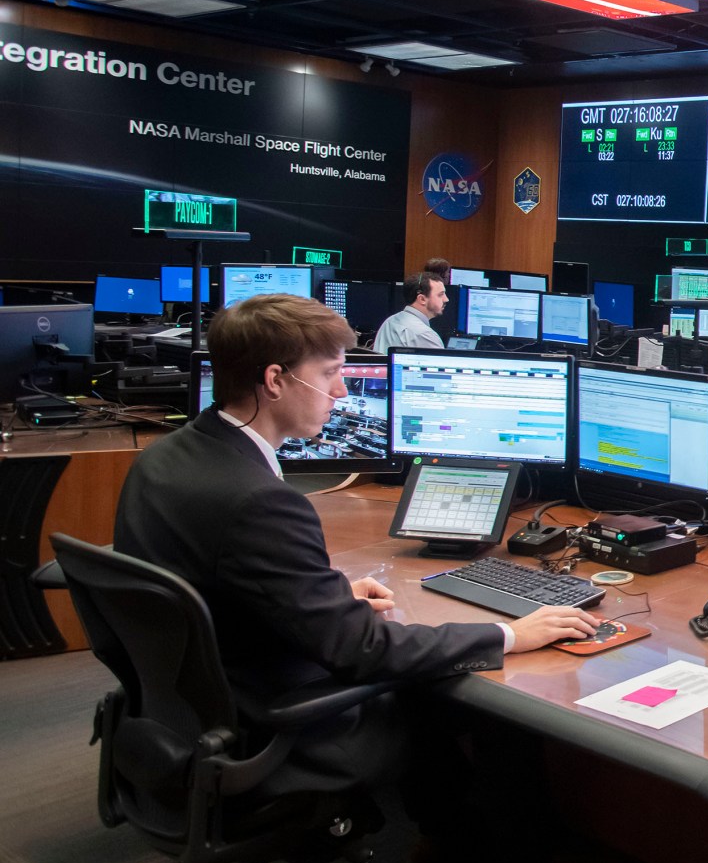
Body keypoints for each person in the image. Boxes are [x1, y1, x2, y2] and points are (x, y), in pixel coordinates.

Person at [113, 294, 597, 796]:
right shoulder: (260, 501)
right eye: (329, 374)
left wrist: (322, 592)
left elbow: (214, 573)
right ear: (275, 380)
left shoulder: (167, 456)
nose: (342, 392)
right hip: (269, 716)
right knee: (486, 702)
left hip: (198, 702)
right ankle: (510, 861)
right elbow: (362, 650)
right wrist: (509, 634)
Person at [372, 271, 448, 353]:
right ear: (422, 299)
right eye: (441, 295)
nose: (446, 299)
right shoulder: (425, 335)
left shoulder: (389, 321)